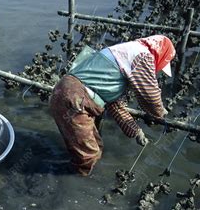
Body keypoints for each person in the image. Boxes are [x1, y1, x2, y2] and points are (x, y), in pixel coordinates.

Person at [49, 35, 176, 176]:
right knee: (88, 155)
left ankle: (74, 173)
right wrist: (160, 113)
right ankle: (66, 183)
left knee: (96, 147)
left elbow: (115, 105)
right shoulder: (142, 55)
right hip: (74, 100)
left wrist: (136, 131)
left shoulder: (122, 55)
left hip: (68, 95)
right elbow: (150, 94)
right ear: (162, 54)